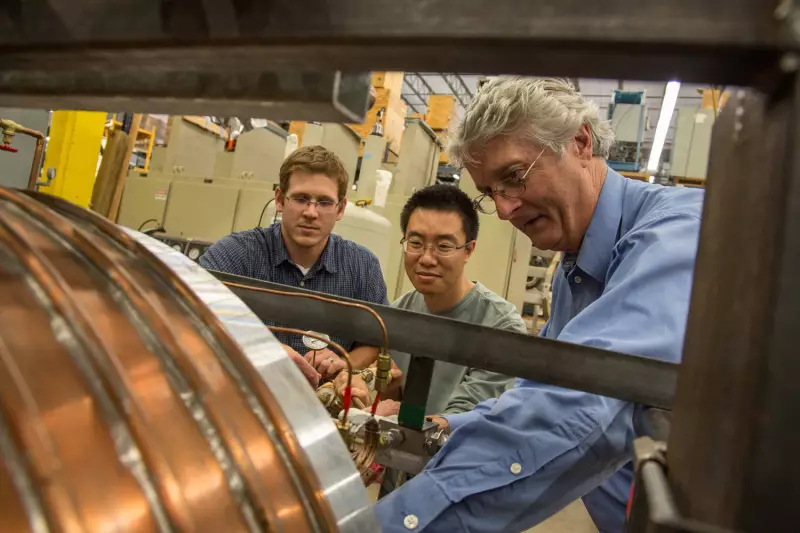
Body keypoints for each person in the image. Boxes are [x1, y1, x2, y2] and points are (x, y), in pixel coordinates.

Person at [375, 77, 705, 533]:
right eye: (491, 192)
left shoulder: (677, 235)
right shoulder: (577, 270)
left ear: (581, 142)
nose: (506, 210)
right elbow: (535, 395)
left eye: (514, 177)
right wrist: (448, 430)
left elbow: (579, 407)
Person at [373, 183, 527, 497]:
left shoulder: (500, 326)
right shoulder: (398, 314)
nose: (427, 258)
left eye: (444, 246)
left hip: (457, 492)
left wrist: (376, 425)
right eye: (415, 242)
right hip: (398, 486)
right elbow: (395, 391)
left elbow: (464, 419)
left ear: (468, 250)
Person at [199, 145, 388, 385]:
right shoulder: (234, 255)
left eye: (324, 202)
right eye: (300, 199)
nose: (311, 212)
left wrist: (345, 363)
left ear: (340, 209)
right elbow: (191, 316)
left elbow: (375, 341)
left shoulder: (363, 267)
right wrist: (266, 351)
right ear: (279, 200)